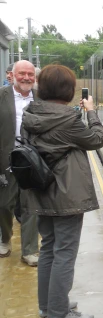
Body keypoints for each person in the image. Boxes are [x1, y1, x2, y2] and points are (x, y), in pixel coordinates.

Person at [21, 64, 103, 318]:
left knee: (48, 249)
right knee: (65, 252)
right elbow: (96, 139)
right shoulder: (68, 120)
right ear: (68, 91)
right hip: (66, 195)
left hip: (41, 190)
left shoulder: (30, 114)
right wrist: (91, 112)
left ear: (42, 88)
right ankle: (59, 314)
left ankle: (48, 305)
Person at [0, 60, 40, 265]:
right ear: (13, 75)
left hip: (33, 159)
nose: (26, 78)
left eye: (30, 74)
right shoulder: (2, 95)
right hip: (6, 159)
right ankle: (5, 239)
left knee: (30, 205)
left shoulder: (41, 98)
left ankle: (30, 250)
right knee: (5, 204)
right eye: (22, 73)